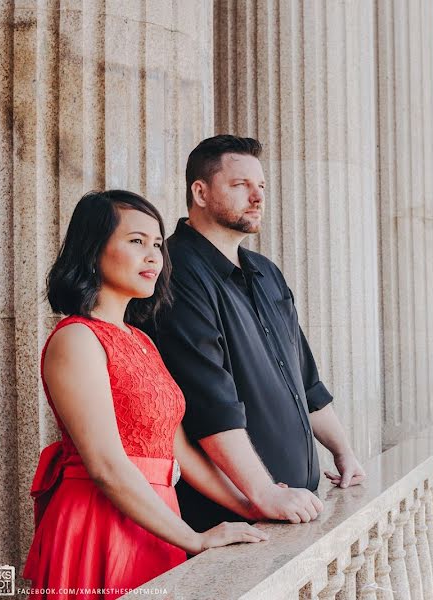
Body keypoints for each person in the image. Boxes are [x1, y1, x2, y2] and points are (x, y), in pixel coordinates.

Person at [24, 191, 267, 600]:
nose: (154, 255)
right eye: (136, 241)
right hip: (100, 520)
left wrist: (253, 504)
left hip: (157, 519)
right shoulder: (77, 339)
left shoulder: (140, 340)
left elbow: (180, 453)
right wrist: (196, 539)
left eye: (157, 244)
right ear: (92, 250)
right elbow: (105, 465)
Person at [150, 135, 365, 533]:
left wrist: (343, 450)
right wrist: (263, 492)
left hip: (292, 506)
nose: (257, 197)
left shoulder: (266, 272)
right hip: (232, 518)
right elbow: (209, 402)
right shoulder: (175, 271)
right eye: (240, 185)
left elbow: (305, 380)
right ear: (200, 191)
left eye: (261, 186)